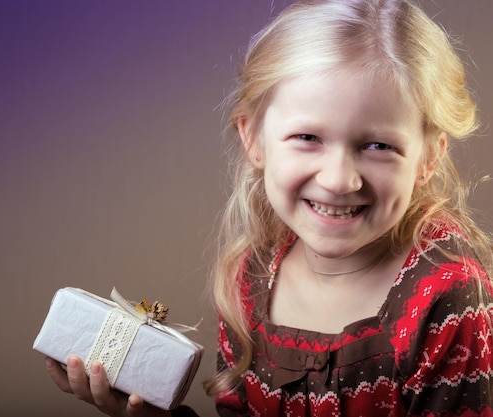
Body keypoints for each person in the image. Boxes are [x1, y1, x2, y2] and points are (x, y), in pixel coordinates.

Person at [44, 0, 493, 415]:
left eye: (378, 145)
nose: (338, 179)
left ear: (429, 157)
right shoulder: (252, 275)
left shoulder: (446, 297)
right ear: (253, 138)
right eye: (308, 138)